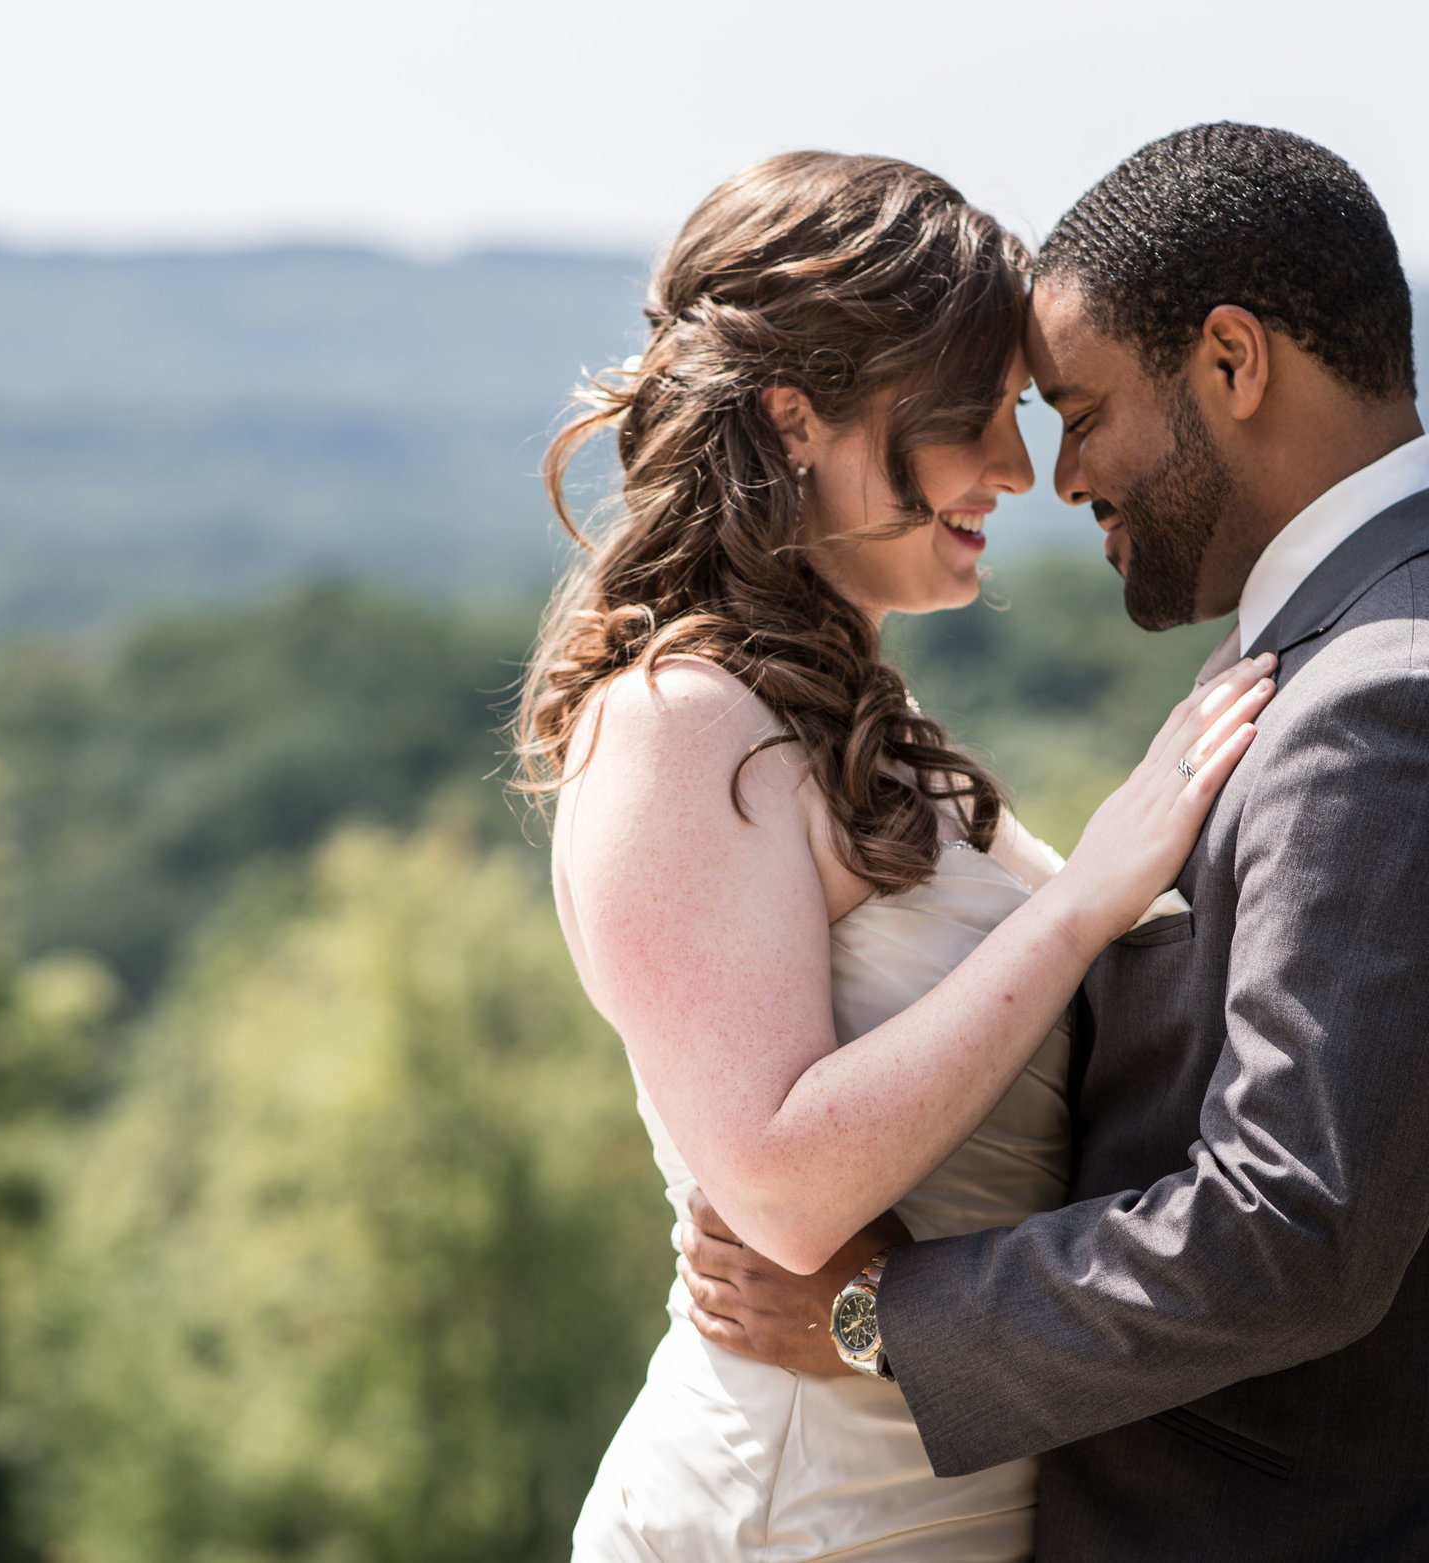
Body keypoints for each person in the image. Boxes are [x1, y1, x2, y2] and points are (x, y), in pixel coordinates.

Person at [680, 125, 1429, 1561]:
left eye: (1078, 409)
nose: (1059, 477)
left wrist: (881, 1321)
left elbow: (1288, 1231)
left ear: (1233, 365)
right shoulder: (1368, 646)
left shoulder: (1403, 700)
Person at [517, 151, 1277, 1562]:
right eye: (968, 420)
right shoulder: (685, 723)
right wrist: (1093, 897)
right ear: (795, 421)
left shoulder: (843, 714)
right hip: (790, 1516)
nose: (1017, 471)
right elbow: (787, 1196)